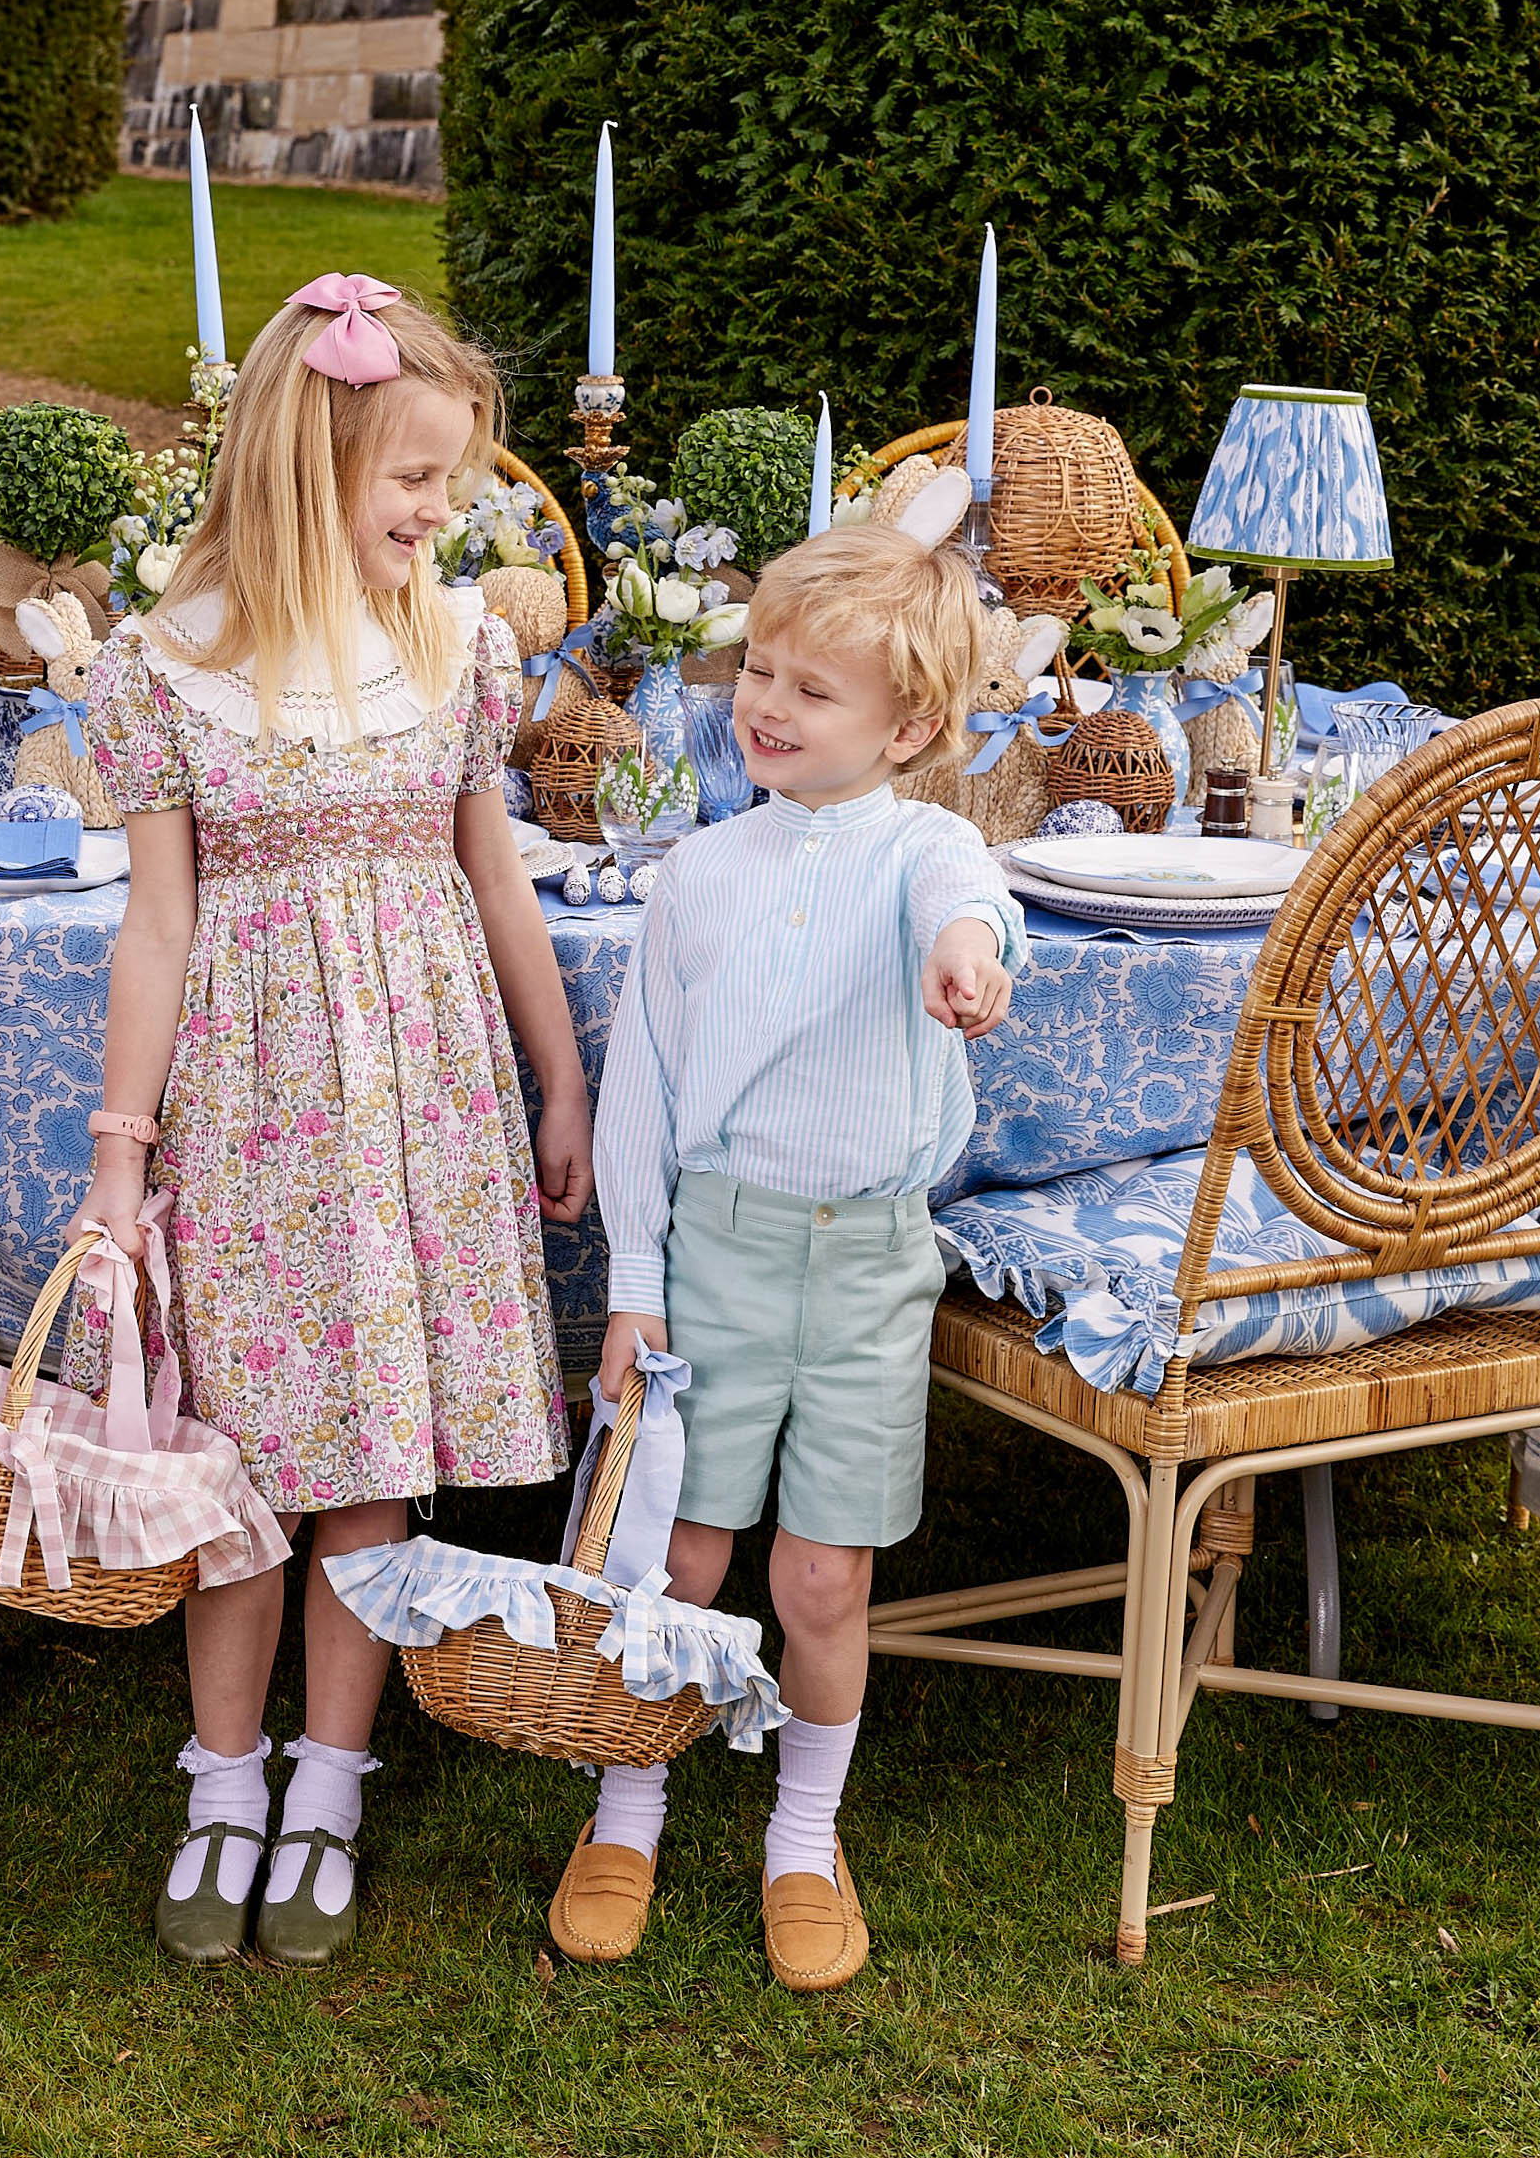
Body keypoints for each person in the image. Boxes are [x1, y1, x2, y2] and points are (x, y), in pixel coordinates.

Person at [73, 273, 595, 1969]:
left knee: (374, 1449)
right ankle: (223, 1772)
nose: (447, 512)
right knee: (238, 1449)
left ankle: (332, 1775)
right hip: (252, 1101)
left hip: (421, 1096)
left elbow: (491, 873)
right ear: (313, 466)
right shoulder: (168, 669)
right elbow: (157, 924)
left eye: (452, 481)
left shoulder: (455, 648)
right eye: (420, 482)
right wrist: (118, 1154)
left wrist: (559, 1071)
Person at [556, 520, 1026, 1991]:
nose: (765, 702)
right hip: (720, 1256)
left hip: (872, 1263)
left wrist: (968, 958)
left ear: (911, 726)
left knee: (822, 1577)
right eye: (758, 668)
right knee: (680, 1553)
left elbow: (968, 905)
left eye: (811, 688)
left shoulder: (925, 845)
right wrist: (636, 1279)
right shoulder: (699, 873)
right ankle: (626, 1803)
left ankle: (803, 1833)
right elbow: (641, 1088)